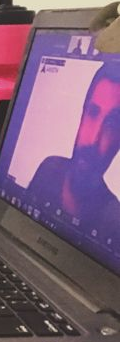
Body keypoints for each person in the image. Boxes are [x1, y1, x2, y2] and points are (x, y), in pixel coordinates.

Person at [26, 63, 120, 234]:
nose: (93, 139)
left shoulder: (114, 221)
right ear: (82, 114)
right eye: (93, 113)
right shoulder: (49, 169)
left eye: (111, 125)